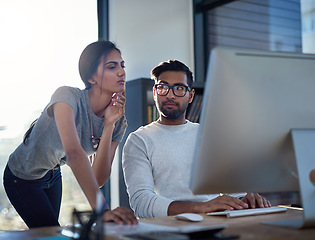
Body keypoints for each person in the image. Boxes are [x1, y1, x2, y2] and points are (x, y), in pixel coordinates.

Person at [3, 40, 137, 228]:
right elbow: (74, 154)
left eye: (122, 65)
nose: (122, 71)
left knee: (50, 233)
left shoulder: (118, 121)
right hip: (22, 176)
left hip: (52, 175)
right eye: (112, 66)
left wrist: (108, 125)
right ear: (91, 78)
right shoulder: (67, 97)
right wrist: (102, 211)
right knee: (51, 232)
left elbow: (98, 179)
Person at [122, 59, 271, 218]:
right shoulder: (138, 140)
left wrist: (245, 199)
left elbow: (234, 192)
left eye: (179, 88)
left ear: (191, 95)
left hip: (217, 222)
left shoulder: (209, 135)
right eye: (163, 87)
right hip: (168, 227)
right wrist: (202, 207)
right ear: (155, 92)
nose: (170, 95)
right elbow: (141, 203)